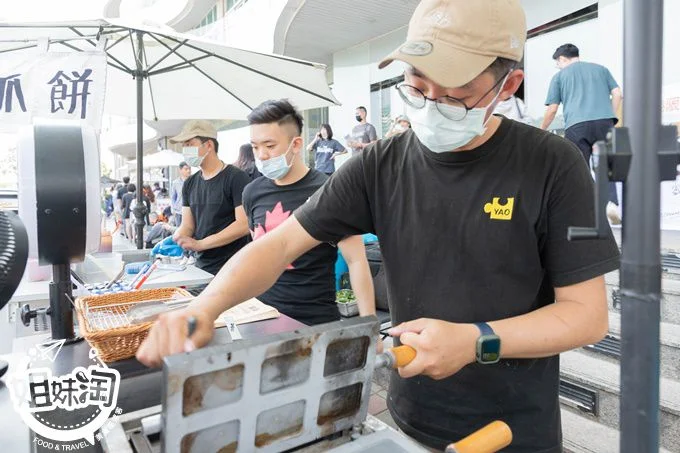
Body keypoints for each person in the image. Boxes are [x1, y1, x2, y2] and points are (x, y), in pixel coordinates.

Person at [137, 1, 620, 451]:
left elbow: (586, 314)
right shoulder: (381, 164)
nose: (430, 105)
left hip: (512, 428)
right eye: (416, 85)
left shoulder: (554, 165)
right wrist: (203, 309)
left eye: (454, 96)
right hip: (411, 411)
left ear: (507, 86)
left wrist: (477, 340)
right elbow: (279, 244)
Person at [244, 100, 375, 325]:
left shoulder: (329, 190)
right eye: (255, 147)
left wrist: (369, 323)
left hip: (314, 322)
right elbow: (255, 254)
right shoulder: (251, 192)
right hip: (261, 318)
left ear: (295, 144)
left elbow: (356, 261)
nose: (262, 155)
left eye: (269, 145)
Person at [540, 43, 623, 224]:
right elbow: (617, 93)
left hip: (576, 125)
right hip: (604, 122)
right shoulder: (601, 70)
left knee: (578, 168)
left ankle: (585, 212)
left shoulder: (559, 76)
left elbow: (553, 109)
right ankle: (610, 203)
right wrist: (611, 116)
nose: (558, 66)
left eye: (558, 63)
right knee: (607, 164)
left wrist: (541, 130)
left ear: (562, 59)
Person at [169, 120, 250, 275]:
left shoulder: (236, 177)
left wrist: (200, 244)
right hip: (202, 266)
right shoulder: (190, 183)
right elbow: (188, 225)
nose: (185, 150)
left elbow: (243, 224)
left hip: (233, 266)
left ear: (209, 145)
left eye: (189, 144)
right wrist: (178, 236)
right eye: (183, 146)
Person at [170, 161, 191, 227]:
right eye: (186, 169)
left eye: (189, 169)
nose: (188, 171)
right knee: (178, 230)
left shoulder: (193, 181)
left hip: (190, 211)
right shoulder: (175, 183)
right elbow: (173, 197)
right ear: (180, 170)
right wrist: (173, 209)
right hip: (179, 211)